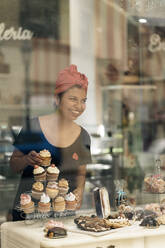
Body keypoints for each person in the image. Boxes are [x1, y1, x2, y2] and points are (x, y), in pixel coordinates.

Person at [10, 64, 92, 221]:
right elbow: (13, 165)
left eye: (83, 100)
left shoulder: (83, 136)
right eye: (73, 99)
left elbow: (81, 173)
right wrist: (27, 160)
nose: (79, 106)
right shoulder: (33, 127)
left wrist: (80, 190)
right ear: (57, 99)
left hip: (63, 215)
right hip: (28, 215)